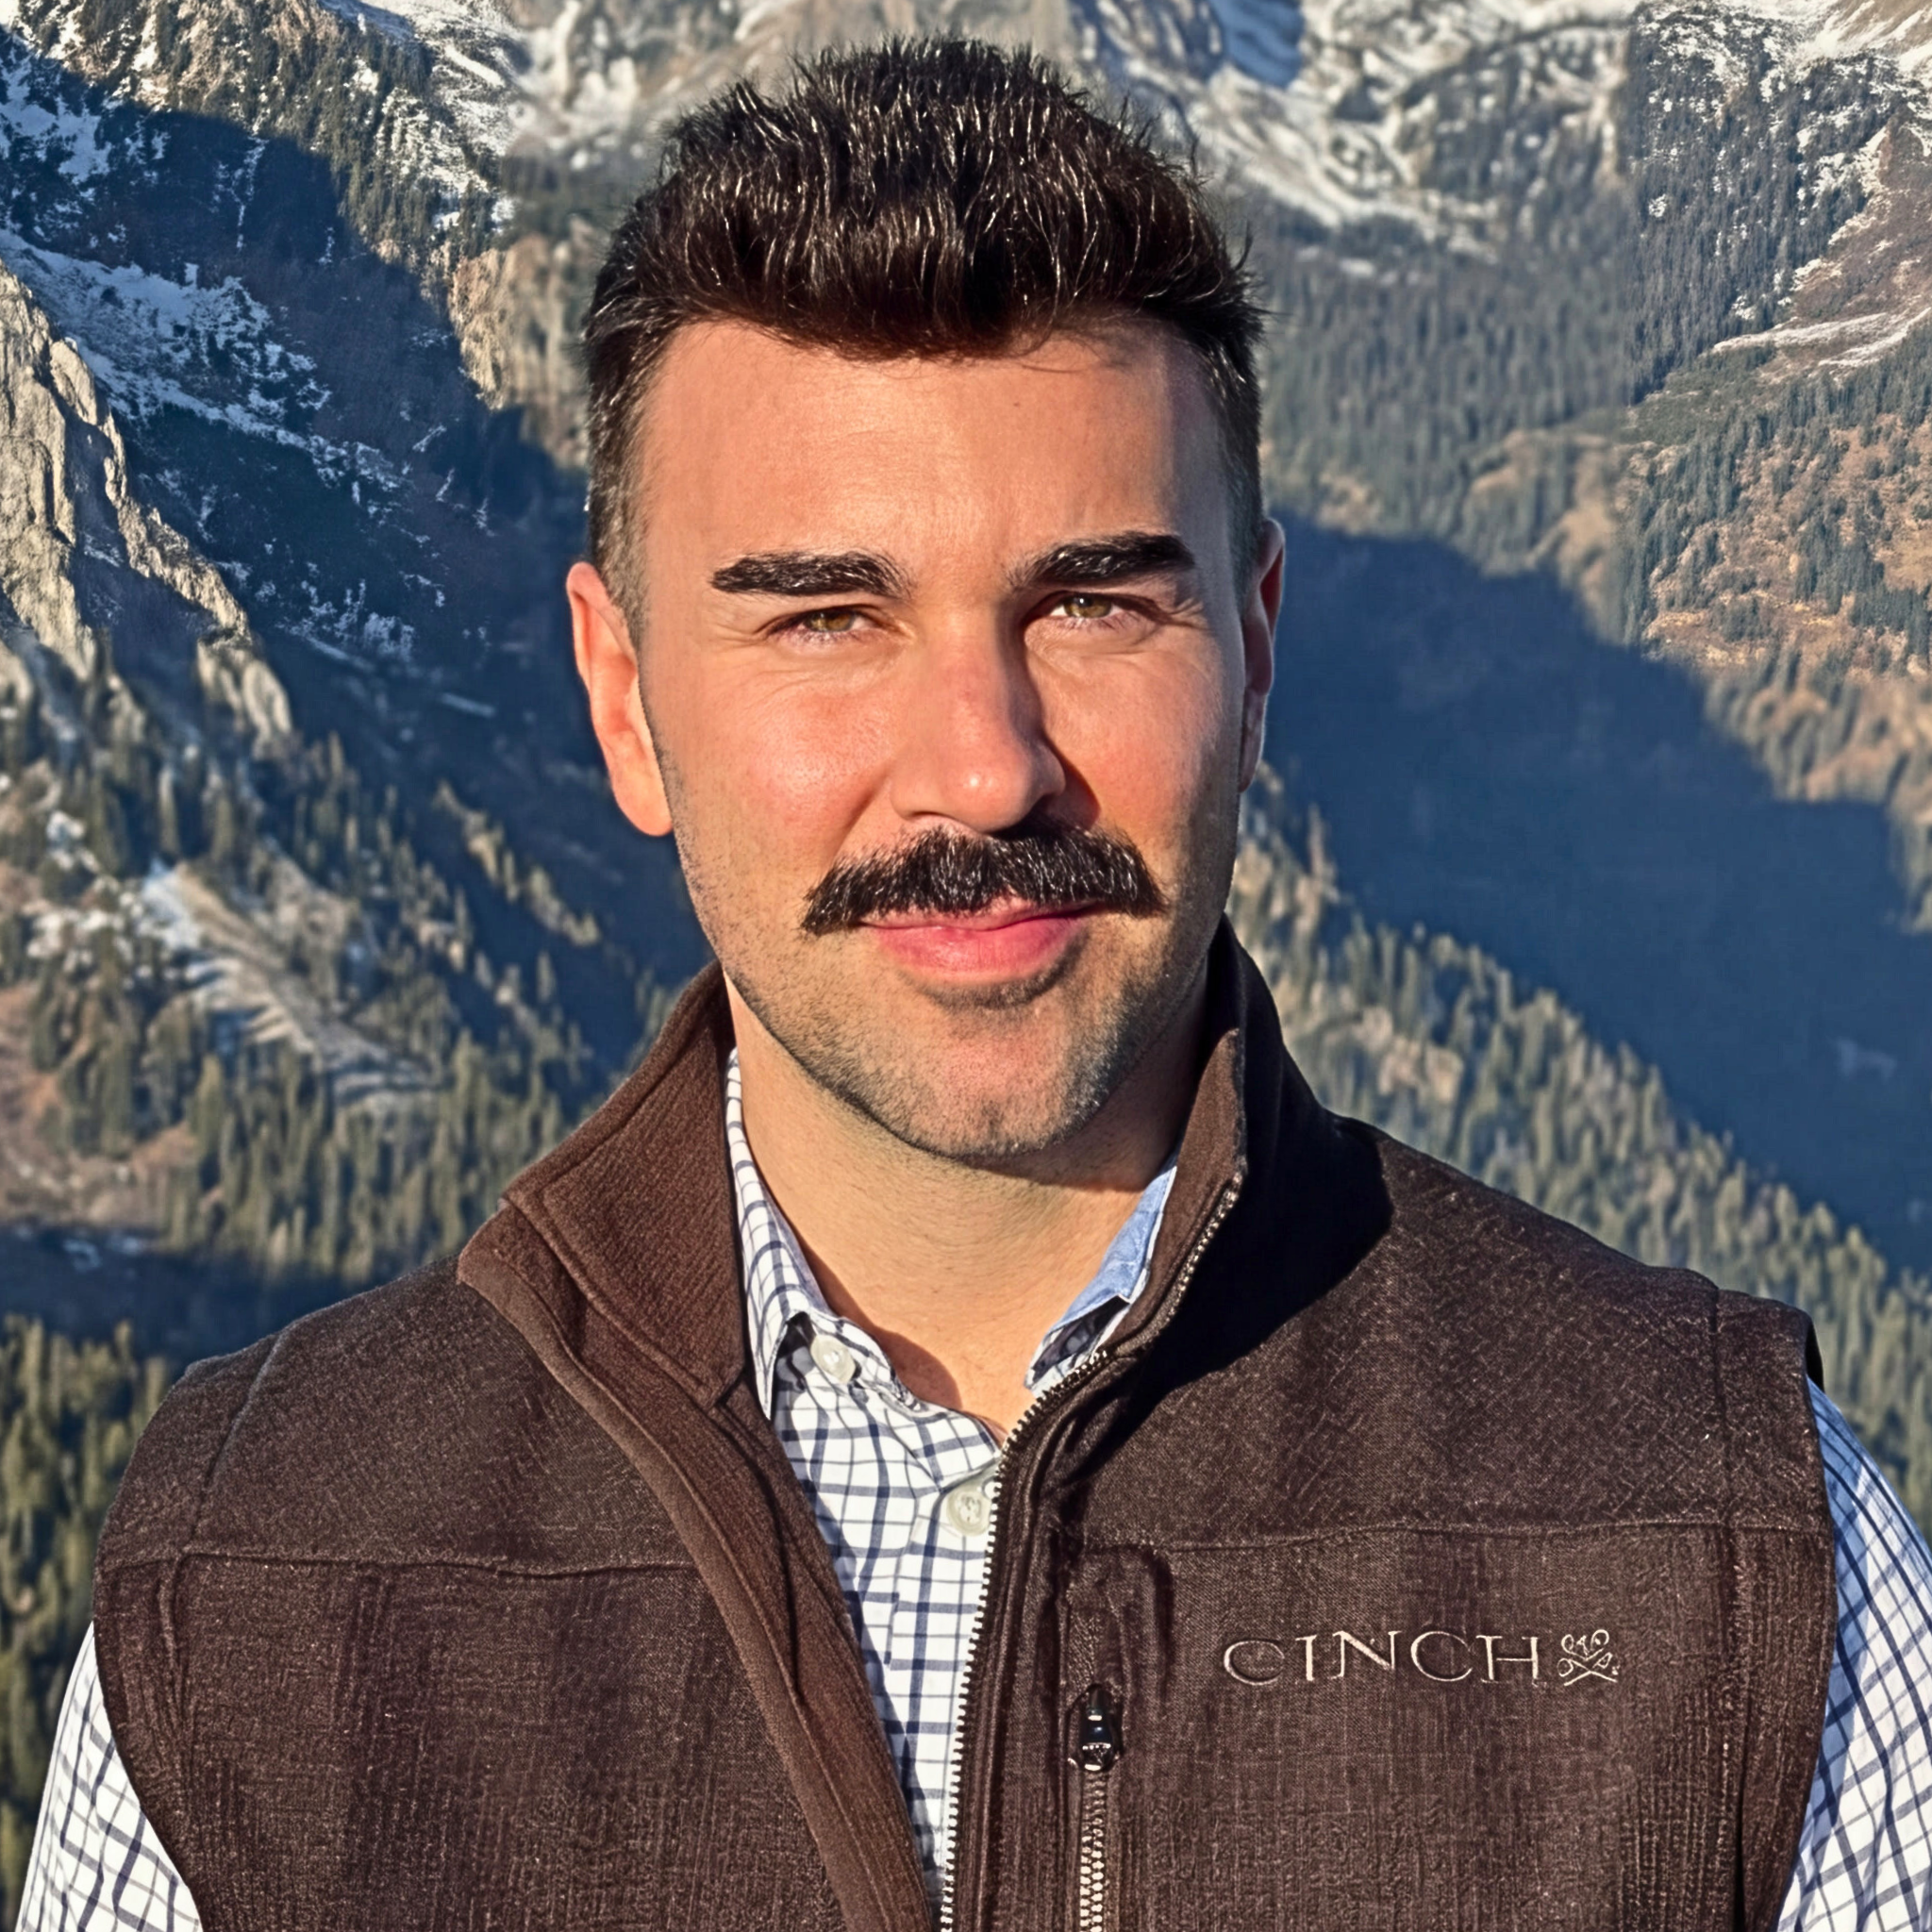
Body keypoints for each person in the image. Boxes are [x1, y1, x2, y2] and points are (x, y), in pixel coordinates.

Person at [20, 39, 1932, 1932]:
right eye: (826, 618)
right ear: (623, 695)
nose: (986, 767)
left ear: (1254, 646)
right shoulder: (249, 1600)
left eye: (1091, 604)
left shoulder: (1738, 1561)